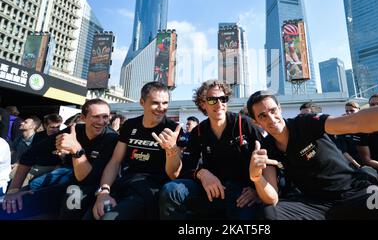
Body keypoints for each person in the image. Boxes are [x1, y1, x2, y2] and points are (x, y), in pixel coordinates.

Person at [245, 88, 378, 220]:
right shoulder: (266, 147)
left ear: (280, 108)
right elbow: (271, 197)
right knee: (269, 213)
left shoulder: (304, 124)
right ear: (256, 122)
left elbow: (355, 122)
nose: (271, 118)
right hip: (317, 205)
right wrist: (256, 179)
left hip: (359, 193)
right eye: (263, 115)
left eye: (273, 110)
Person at [159, 80, 265, 220]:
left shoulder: (244, 124)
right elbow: (185, 169)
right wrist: (201, 173)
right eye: (212, 100)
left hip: (243, 192)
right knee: (171, 190)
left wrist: (258, 190)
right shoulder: (199, 132)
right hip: (210, 189)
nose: (219, 104)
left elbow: (269, 161)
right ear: (203, 104)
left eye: (223, 99)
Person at [1, 99, 118, 220]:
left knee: (73, 193)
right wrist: (14, 190)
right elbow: (30, 154)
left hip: (96, 187)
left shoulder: (111, 138)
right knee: (31, 191)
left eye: (105, 117)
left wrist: (75, 149)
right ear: (83, 117)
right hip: (70, 180)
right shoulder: (74, 131)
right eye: (96, 117)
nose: (101, 121)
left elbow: (87, 178)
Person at [90, 81, 182, 220]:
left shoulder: (172, 128)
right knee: (91, 214)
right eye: (155, 103)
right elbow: (115, 161)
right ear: (142, 102)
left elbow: (174, 174)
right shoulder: (130, 125)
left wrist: (171, 149)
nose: (161, 108)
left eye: (165, 103)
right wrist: (104, 191)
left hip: (149, 190)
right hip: (124, 184)